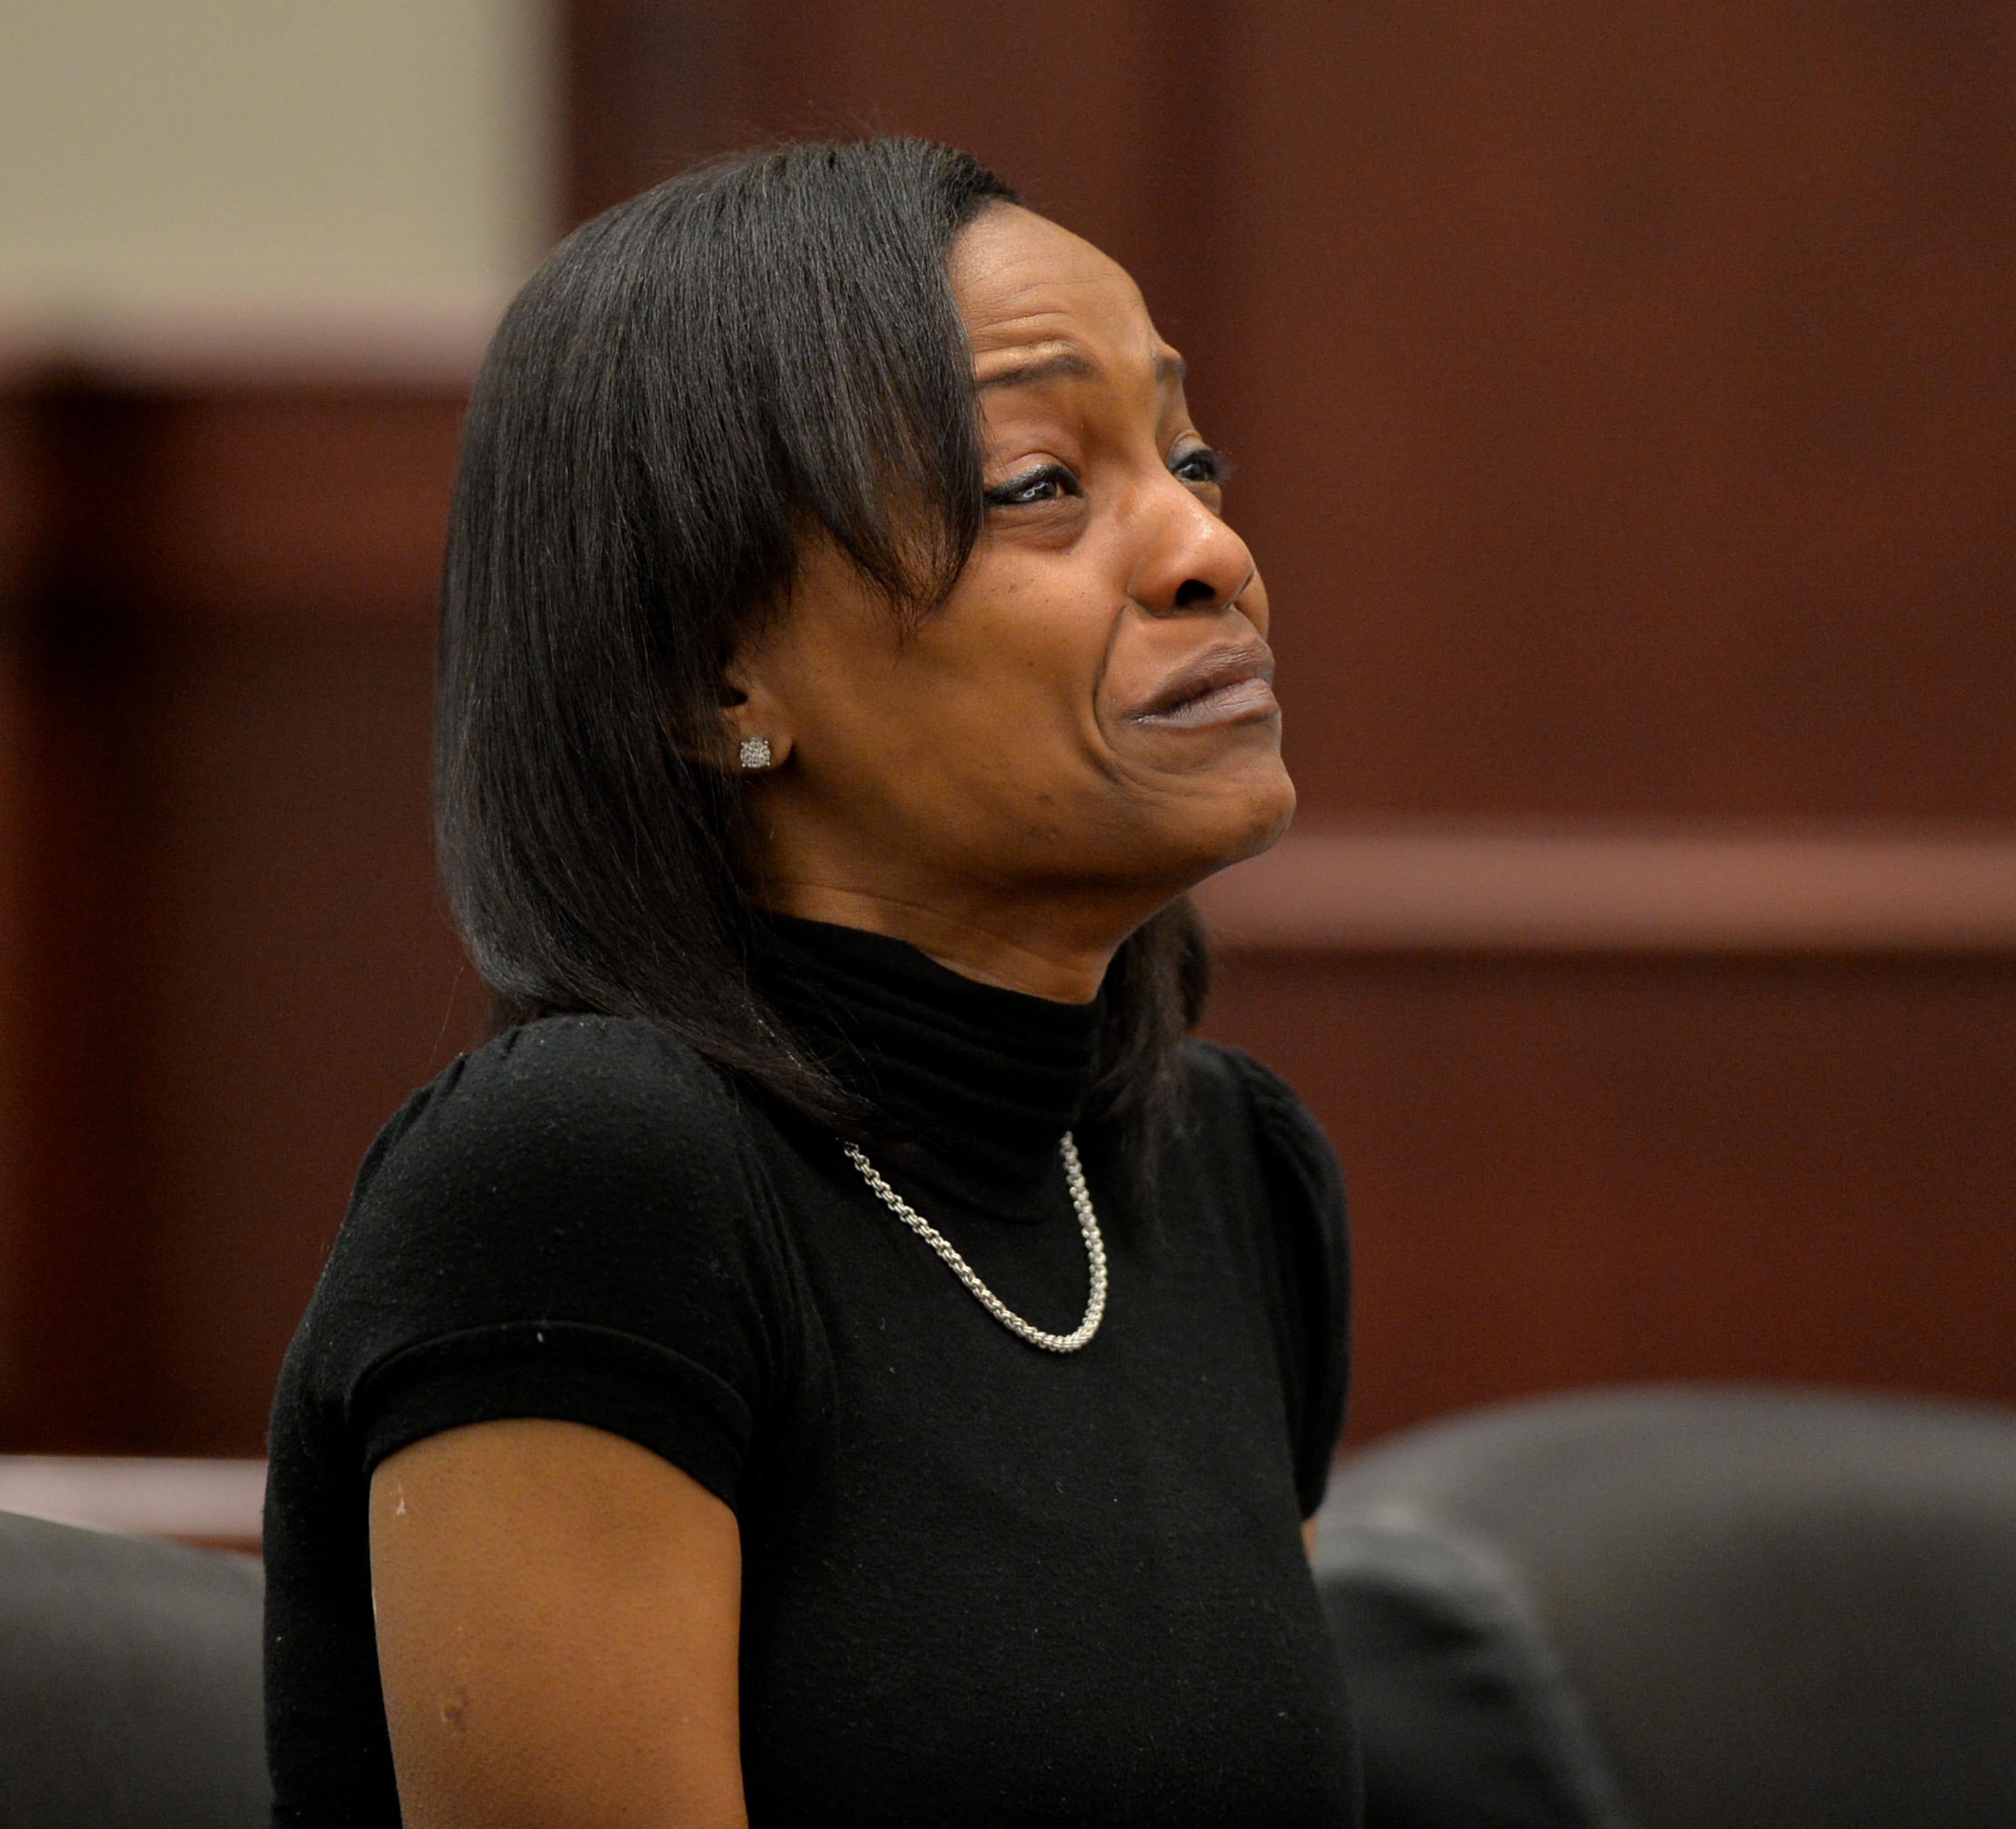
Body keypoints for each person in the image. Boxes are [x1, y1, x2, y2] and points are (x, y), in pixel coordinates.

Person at [264, 138, 1360, 1829]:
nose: (1209, 546)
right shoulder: (587, 1176)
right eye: (1040, 486)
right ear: (717, 676)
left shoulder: (1220, 1166)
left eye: (1191, 453)